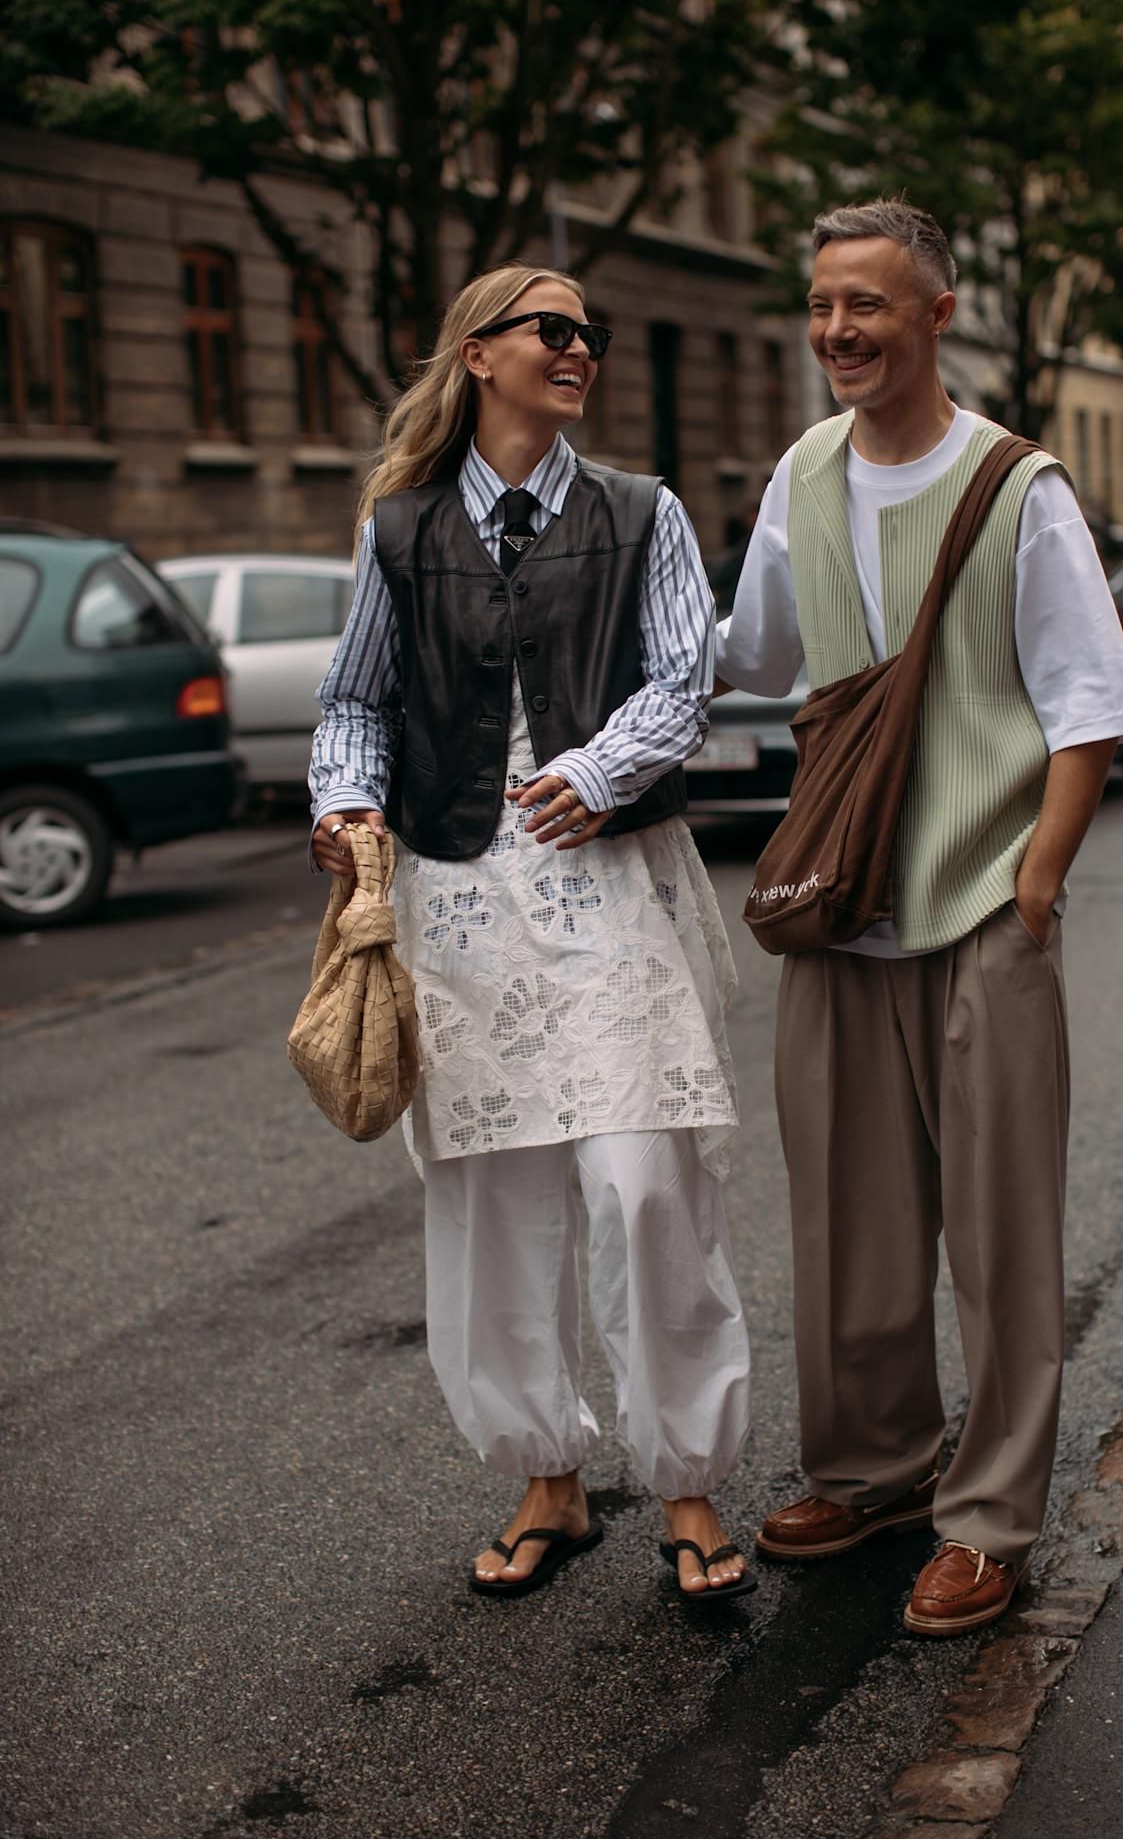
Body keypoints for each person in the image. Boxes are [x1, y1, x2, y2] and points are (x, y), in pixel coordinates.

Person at [715, 198, 1123, 1636]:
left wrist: (1035, 888)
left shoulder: (1022, 489)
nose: (839, 330)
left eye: (869, 305)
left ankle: (991, 1516)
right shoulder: (803, 475)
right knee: (849, 1221)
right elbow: (753, 655)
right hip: (839, 911)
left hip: (979, 907)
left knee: (1001, 1235)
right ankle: (876, 1469)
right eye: (825, 304)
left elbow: (1089, 710)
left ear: (935, 314)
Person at [309, 262, 753, 1602]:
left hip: (603, 879)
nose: (578, 349)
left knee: (640, 1188)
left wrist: (600, 770)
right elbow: (352, 703)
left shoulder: (641, 512)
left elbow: (688, 676)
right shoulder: (401, 526)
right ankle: (547, 1477)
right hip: (453, 905)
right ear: (479, 355)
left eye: (588, 334)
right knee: (492, 1204)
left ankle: (687, 1482)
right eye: (550, 329)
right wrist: (345, 803)